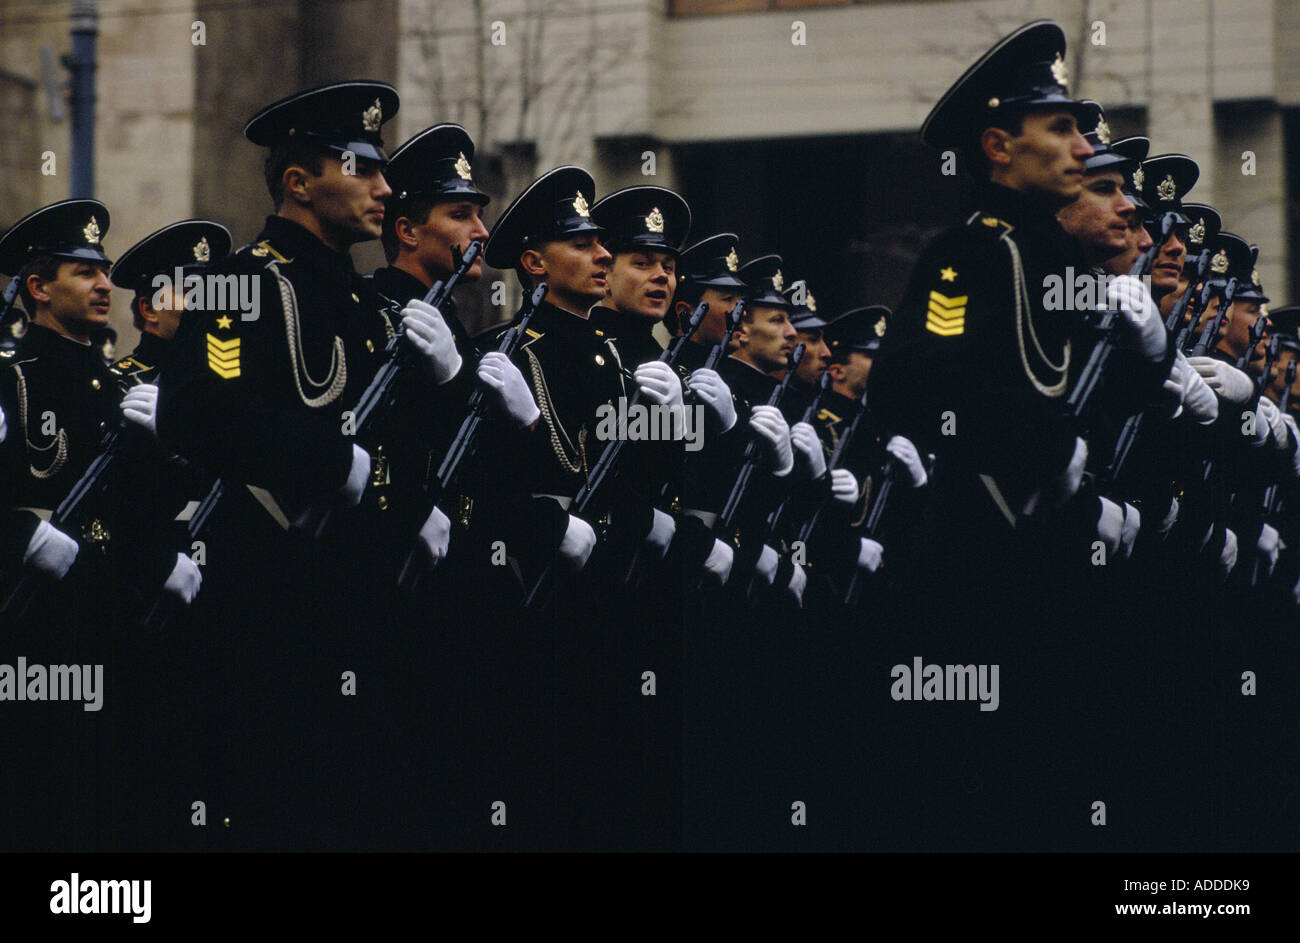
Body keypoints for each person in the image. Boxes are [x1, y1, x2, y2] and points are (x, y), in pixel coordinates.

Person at [0, 200, 201, 850]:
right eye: (84, 271)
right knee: (41, 804)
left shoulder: (118, 387)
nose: (104, 284)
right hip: (36, 640)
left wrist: (165, 451)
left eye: (105, 270)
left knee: (116, 806)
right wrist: (20, 537)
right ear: (37, 286)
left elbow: (143, 510)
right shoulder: (11, 382)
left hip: (118, 629)